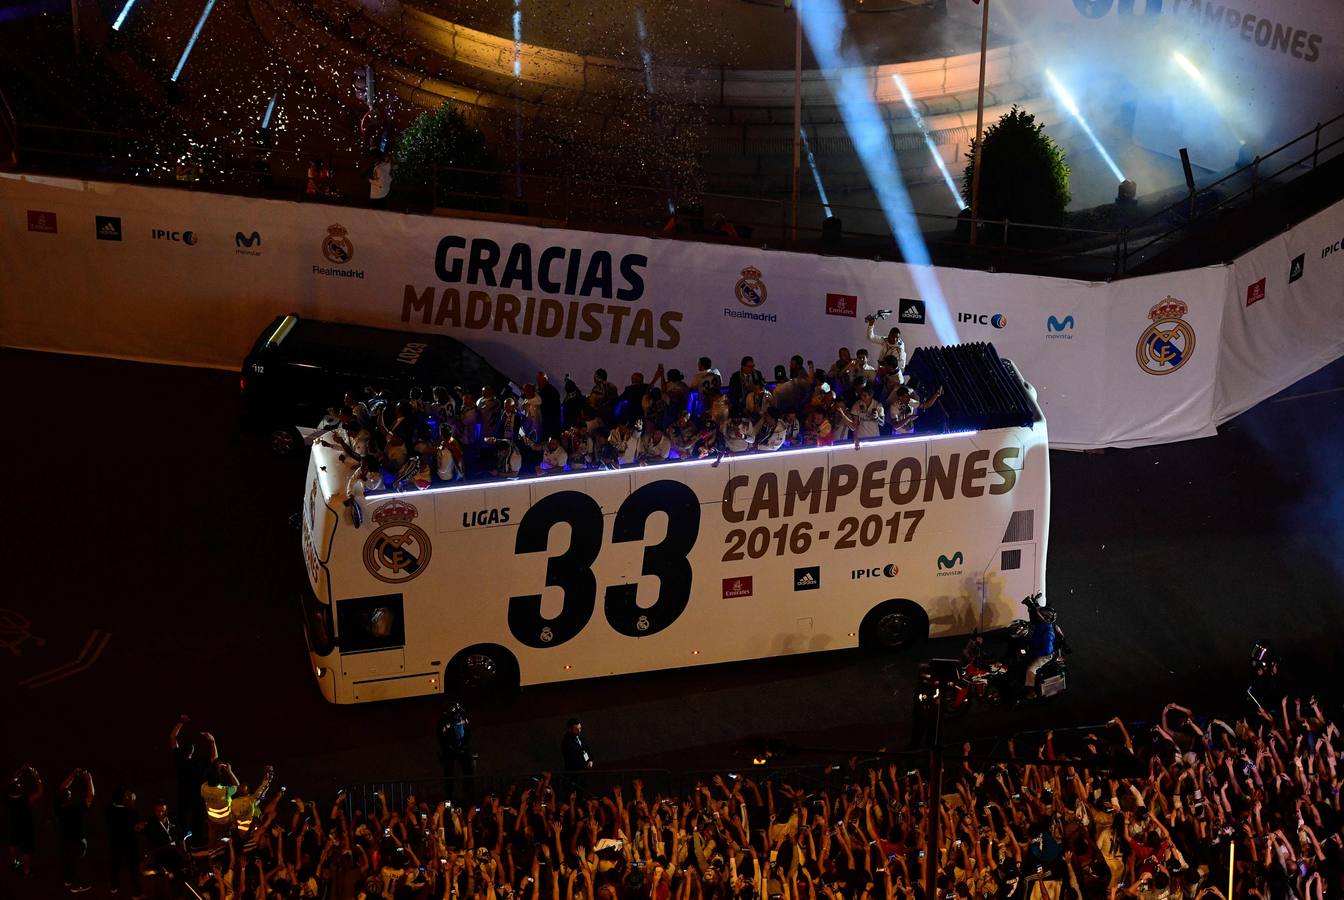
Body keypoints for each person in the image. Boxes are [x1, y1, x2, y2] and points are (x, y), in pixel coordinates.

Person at [57, 767, 94, 893]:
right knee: (78, 863)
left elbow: (62, 788)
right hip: (78, 841)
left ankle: (68, 881)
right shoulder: (76, 808)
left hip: (65, 840)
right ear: (69, 797)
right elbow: (91, 796)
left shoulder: (58, 807)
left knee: (68, 861)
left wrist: (73, 774)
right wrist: (88, 779)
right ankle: (76, 886)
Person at [1025, 602, 1070, 697]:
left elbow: (1047, 650)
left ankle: (1031, 691)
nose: (1039, 615)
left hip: (1045, 655)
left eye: (1041, 614)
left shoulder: (1048, 633)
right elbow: (1035, 612)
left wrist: (1034, 652)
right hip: (1037, 647)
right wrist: (1031, 603)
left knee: (1031, 669)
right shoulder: (1043, 624)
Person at [5, 764, 41, 877]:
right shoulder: (25, 799)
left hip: (13, 825)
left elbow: (12, 781)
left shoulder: (8, 797)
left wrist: (20, 770)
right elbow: (40, 792)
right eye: (19, 785)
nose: (19, 784)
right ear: (18, 790)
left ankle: (13, 863)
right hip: (26, 828)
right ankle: (26, 870)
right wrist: (36, 776)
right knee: (27, 850)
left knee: (12, 844)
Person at [106, 786, 142, 895]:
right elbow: (136, 826)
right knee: (133, 867)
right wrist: (133, 803)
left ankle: (113, 886)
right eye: (127, 795)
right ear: (123, 799)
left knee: (115, 865)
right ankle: (136, 893)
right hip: (130, 844)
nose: (130, 795)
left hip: (115, 843)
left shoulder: (109, 809)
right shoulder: (130, 812)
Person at [437, 702, 476, 800]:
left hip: (462, 748)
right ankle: (449, 795)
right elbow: (441, 737)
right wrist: (448, 748)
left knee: (468, 771)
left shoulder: (463, 718)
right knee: (449, 774)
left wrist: (464, 746)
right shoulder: (445, 721)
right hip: (449, 750)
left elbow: (468, 732)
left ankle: (469, 792)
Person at [865, 315, 906, 379]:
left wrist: (884, 364)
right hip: (882, 368)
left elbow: (896, 365)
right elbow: (871, 337)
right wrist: (871, 325)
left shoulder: (899, 348)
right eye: (893, 336)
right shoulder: (885, 340)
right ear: (889, 335)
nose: (895, 339)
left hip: (893, 374)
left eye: (897, 337)